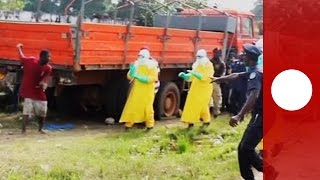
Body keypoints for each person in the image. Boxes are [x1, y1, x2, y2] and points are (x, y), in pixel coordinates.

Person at [214, 44, 277, 180]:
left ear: (249, 58)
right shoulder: (255, 70)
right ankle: (250, 176)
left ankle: (269, 171)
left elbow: (253, 96)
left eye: (244, 54)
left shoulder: (256, 74)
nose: (242, 56)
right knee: (242, 149)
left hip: (263, 116)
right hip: (264, 115)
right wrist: (220, 79)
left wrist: (239, 115)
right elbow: (236, 75)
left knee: (246, 148)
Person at [16, 43, 52, 134]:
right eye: (48, 57)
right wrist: (19, 48)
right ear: (42, 57)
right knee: (27, 111)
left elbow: (45, 78)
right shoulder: (31, 61)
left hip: (38, 92)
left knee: (43, 110)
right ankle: (23, 131)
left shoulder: (48, 68)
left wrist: (43, 84)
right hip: (28, 91)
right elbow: (22, 57)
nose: (49, 59)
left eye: (49, 57)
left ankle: (40, 129)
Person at [119, 49, 159, 130]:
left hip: (148, 91)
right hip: (137, 90)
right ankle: (128, 125)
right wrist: (131, 72)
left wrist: (139, 77)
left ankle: (149, 125)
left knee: (147, 108)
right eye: (139, 56)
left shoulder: (152, 66)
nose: (140, 58)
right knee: (133, 106)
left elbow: (153, 78)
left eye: (142, 56)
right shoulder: (137, 65)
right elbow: (130, 77)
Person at [179, 49, 214, 128]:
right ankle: (190, 122)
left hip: (205, 89)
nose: (198, 58)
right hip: (195, 88)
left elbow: (206, 77)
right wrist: (185, 76)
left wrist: (196, 74)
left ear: (205, 57)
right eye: (197, 56)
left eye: (200, 57)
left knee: (202, 105)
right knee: (191, 105)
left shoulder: (209, 65)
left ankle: (206, 121)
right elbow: (191, 77)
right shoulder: (197, 65)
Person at [211, 48, 225, 117]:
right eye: (215, 53)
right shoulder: (210, 61)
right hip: (210, 80)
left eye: (218, 53)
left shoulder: (221, 63)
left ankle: (216, 112)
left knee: (217, 97)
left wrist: (220, 79)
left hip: (216, 80)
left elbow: (223, 73)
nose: (216, 54)